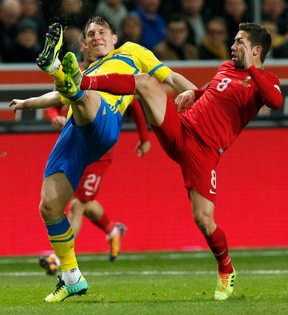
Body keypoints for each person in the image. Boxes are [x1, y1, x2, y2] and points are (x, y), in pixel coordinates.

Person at [58, 22, 283, 301]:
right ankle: (83, 82)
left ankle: (226, 269)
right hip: (182, 128)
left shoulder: (266, 80)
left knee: (203, 220)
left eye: (240, 42)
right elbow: (215, 93)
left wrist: (251, 67)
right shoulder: (226, 67)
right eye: (235, 41)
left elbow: (275, 100)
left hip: (205, 151)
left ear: (256, 50)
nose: (233, 46)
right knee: (145, 83)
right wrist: (194, 93)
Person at [9, 17, 196, 302]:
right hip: (74, 132)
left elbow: (168, 77)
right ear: (85, 42)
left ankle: (55, 67)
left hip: (104, 121)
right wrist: (26, 103)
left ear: (115, 37)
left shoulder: (132, 52)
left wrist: (196, 92)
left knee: (83, 93)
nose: (97, 37)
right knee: (49, 206)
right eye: (91, 33)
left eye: (102, 32)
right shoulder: (86, 68)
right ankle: (72, 277)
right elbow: (58, 96)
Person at [39, 37, 152, 275]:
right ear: (82, 47)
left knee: (78, 205)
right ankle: (113, 230)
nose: (93, 45)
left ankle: (58, 260)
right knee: (85, 203)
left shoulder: (108, 69)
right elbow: (54, 102)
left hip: (98, 153)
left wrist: (144, 138)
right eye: (88, 41)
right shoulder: (74, 71)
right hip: (75, 146)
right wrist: (54, 118)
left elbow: (135, 103)